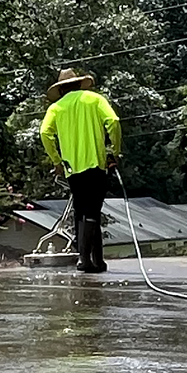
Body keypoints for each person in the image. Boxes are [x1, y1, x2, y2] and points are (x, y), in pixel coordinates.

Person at [39, 69, 122, 273]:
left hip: (72, 169)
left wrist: (57, 161)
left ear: (61, 90)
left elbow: (44, 133)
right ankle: (87, 259)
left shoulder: (56, 108)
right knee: (92, 210)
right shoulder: (95, 99)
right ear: (78, 84)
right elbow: (114, 121)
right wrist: (115, 151)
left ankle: (95, 260)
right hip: (96, 165)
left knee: (82, 210)